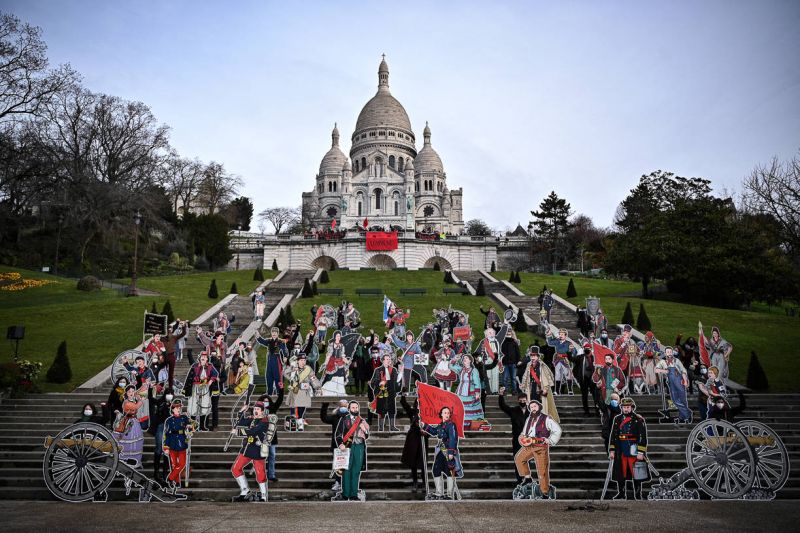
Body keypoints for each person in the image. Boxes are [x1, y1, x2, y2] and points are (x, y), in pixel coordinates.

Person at [514, 398, 562, 499]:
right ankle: (527, 478)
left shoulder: (546, 418)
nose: (533, 409)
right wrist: (522, 438)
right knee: (519, 458)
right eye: (531, 407)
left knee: (542, 471)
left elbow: (557, 430)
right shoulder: (529, 419)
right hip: (530, 445)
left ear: (539, 407)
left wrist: (550, 440)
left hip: (541, 447)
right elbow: (524, 433)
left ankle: (545, 492)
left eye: (535, 406)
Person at [230, 401, 277, 502]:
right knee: (235, 468)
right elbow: (240, 422)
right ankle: (245, 490)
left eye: (258, 409)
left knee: (260, 473)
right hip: (247, 448)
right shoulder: (252, 419)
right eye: (255, 409)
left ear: (262, 411)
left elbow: (253, 431)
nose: (255, 411)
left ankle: (264, 495)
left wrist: (237, 432)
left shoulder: (264, 422)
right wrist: (242, 411)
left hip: (257, 449)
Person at [608, 397, 649, 500]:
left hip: (633, 449)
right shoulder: (617, 419)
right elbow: (613, 435)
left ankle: (638, 494)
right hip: (621, 449)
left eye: (628, 407)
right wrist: (612, 450)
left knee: (637, 473)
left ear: (632, 408)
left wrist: (641, 452)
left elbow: (642, 436)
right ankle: (621, 493)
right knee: (620, 473)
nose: (626, 409)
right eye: (624, 407)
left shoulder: (638, 419)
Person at [419, 406, 463, 500]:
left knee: (449, 472)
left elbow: (453, 438)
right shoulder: (441, 425)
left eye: (448, 413)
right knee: (436, 470)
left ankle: (449, 494)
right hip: (441, 451)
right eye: (445, 413)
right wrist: (424, 425)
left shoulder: (451, 425)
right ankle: (439, 493)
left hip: (448, 451)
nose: (447, 414)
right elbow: (435, 432)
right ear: (441, 414)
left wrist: (451, 452)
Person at [333, 401, 370, 501]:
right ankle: (345, 494)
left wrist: (365, 430)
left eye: (356, 408)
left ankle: (354, 494)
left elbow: (366, 436)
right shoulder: (344, 419)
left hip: (359, 447)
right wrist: (340, 444)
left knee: (356, 470)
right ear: (349, 409)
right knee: (346, 470)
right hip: (347, 447)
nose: (355, 409)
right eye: (353, 408)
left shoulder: (362, 420)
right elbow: (338, 434)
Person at [519, 346, 558, 422]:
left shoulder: (542, 365)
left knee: (541, 405)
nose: (532, 358)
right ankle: (533, 419)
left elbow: (549, 376)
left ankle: (542, 420)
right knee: (532, 404)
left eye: (534, 356)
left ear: (538, 356)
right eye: (531, 356)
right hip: (531, 388)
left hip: (541, 388)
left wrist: (546, 388)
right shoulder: (529, 365)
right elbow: (525, 376)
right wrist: (523, 385)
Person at [182, 350, 219, 431]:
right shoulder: (194, 366)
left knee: (204, 406)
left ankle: (202, 426)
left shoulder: (210, 366)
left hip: (205, 388)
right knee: (193, 407)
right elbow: (190, 376)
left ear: (207, 359)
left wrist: (211, 380)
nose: (203, 358)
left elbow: (215, 374)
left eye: (205, 357)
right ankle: (193, 426)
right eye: (202, 357)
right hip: (195, 388)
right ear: (199, 358)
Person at [162, 399, 193, 491]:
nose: (178, 409)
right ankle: (177, 482)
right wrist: (166, 447)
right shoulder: (169, 420)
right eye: (176, 408)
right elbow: (166, 433)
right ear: (172, 409)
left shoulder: (184, 418)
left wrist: (190, 425)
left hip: (182, 441)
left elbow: (192, 427)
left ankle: (170, 478)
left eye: (179, 407)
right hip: (172, 442)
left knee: (182, 463)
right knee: (174, 465)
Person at [498, 389, 529, 482]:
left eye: (524, 401)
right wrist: (500, 395)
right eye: (521, 401)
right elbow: (503, 406)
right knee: (517, 460)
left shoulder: (532, 412)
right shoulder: (514, 410)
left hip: (529, 440)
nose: (523, 402)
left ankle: (527, 480)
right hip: (517, 440)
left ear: (527, 401)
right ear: (518, 400)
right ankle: (519, 480)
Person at [655, 346, 692, 423]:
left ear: (672, 353)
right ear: (665, 353)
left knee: (683, 399)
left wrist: (685, 380)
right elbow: (656, 369)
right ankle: (688, 413)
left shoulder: (677, 361)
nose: (669, 353)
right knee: (675, 400)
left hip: (679, 380)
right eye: (668, 352)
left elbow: (683, 371)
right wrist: (663, 371)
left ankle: (682, 417)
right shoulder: (663, 362)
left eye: (670, 352)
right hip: (671, 382)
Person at [256, 388, 284, 482]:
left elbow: (280, 400)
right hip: (261, 437)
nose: (266, 403)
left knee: (272, 455)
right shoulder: (258, 410)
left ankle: (271, 474)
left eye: (267, 401)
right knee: (260, 456)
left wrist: (281, 389)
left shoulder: (273, 408)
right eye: (264, 401)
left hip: (272, 437)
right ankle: (260, 474)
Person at [400, 395, 427, 492]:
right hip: (412, 440)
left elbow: (432, 428)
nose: (419, 403)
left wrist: (426, 432)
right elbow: (404, 404)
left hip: (423, 440)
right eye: (418, 402)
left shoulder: (427, 413)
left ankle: (424, 483)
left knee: (423, 463)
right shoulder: (412, 412)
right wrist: (403, 394)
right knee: (413, 463)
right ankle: (415, 483)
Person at [112, 385, 145, 467]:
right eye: (129, 391)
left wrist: (139, 395)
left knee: (136, 440)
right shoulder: (126, 402)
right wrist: (141, 400)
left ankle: (135, 460)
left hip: (134, 421)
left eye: (133, 391)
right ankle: (125, 459)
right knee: (127, 438)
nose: (131, 393)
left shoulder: (133, 400)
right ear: (126, 393)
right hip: (127, 422)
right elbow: (136, 406)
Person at [321, 399, 349, 491]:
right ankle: (338, 482)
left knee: (347, 465)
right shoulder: (335, 417)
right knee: (337, 465)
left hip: (348, 445)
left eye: (345, 406)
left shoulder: (351, 417)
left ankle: (346, 483)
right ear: (339, 407)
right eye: (342, 406)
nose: (343, 408)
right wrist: (325, 405)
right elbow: (324, 418)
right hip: (336, 445)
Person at [450, 354, 485, 428]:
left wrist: (477, 392)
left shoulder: (474, 370)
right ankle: (461, 424)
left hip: (470, 393)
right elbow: (451, 366)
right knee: (460, 407)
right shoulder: (461, 369)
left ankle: (471, 425)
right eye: (463, 358)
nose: (464, 359)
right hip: (460, 392)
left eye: (466, 358)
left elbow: (477, 382)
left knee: (471, 408)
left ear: (470, 360)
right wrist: (455, 359)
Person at [369, 354, 400, 431]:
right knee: (381, 410)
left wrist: (397, 389)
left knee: (392, 410)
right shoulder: (378, 370)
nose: (389, 360)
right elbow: (373, 382)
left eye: (389, 359)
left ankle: (392, 427)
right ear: (382, 361)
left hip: (391, 393)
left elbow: (397, 382)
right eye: (387, 359)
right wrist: (379, 384)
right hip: (381, 393)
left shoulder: (394, 370)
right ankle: (380, 427)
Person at [284, 353, 315, 425]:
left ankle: (300, 419)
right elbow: (285, 373)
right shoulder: (293, 367)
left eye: (304, 360)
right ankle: (296, 419)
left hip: (304, 390)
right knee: (295, 405)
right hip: (296, 390)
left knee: (303, 405)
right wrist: (292, 373)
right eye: (301, 360)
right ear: (297, 361)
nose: (303, 362)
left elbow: (313, 378)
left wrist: (318, 387)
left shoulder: (308, 369)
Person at [150, 387, 174, 482]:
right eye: (168, 393)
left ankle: (165, 472)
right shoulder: (161, 402)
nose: (169, 395)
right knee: (159, 448)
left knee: (167, 450)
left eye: (171, 393)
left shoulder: (174, 404)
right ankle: (156, 471)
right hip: (160, 427)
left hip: (170, 429)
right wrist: (150, 389)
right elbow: (152, 400)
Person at [256, 327, 288, 396]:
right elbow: (262, 341)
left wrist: (285, 356)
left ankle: (279, 392)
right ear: (271, 333)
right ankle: (269, 392)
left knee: (277, 376)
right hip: (270, 359)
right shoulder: (269, 341)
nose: (274, 334)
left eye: (275, 333)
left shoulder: (281, 341)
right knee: (268, 376)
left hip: (277, 360)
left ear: (277, 334)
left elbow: (285, 350)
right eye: (272, 333)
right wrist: (258, 336)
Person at [546, 328, 577, 395]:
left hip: (565, 360)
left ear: (565, 336)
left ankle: (570, 390)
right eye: (560, 334)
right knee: (557, 375)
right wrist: (549, 335)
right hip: (557, 359)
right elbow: (550, 343)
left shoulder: (568, 343)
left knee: (568, 375)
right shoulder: (557, 341)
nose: (560, 335)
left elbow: (574, 352)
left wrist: (572, 351)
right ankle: (556, 391)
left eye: (562, 334)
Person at [320, 330, 350, 396]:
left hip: (340, 363)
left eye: (339, 336)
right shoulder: (331, 345)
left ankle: (339, 392)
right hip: (332, 363)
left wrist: (347, 362)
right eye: (337, 336)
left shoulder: (342, 346)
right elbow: (328, 355)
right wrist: (325, 363)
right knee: (328, 378)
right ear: (334, 337)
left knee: (341, 378)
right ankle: (326, 392)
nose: (338, 337)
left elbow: (342, 355)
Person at [501, 329, 521, 394]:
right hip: (505, 363)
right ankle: (505, 390)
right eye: (507, 334)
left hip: (513, 363)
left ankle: (514, 390)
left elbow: (518, 352)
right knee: (505, 378)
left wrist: (518, 360)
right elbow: (500, 352)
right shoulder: (503, 343)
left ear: (512, 335)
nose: (508, 335)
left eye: (509, 334)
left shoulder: (514, 343)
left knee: (513, 378)